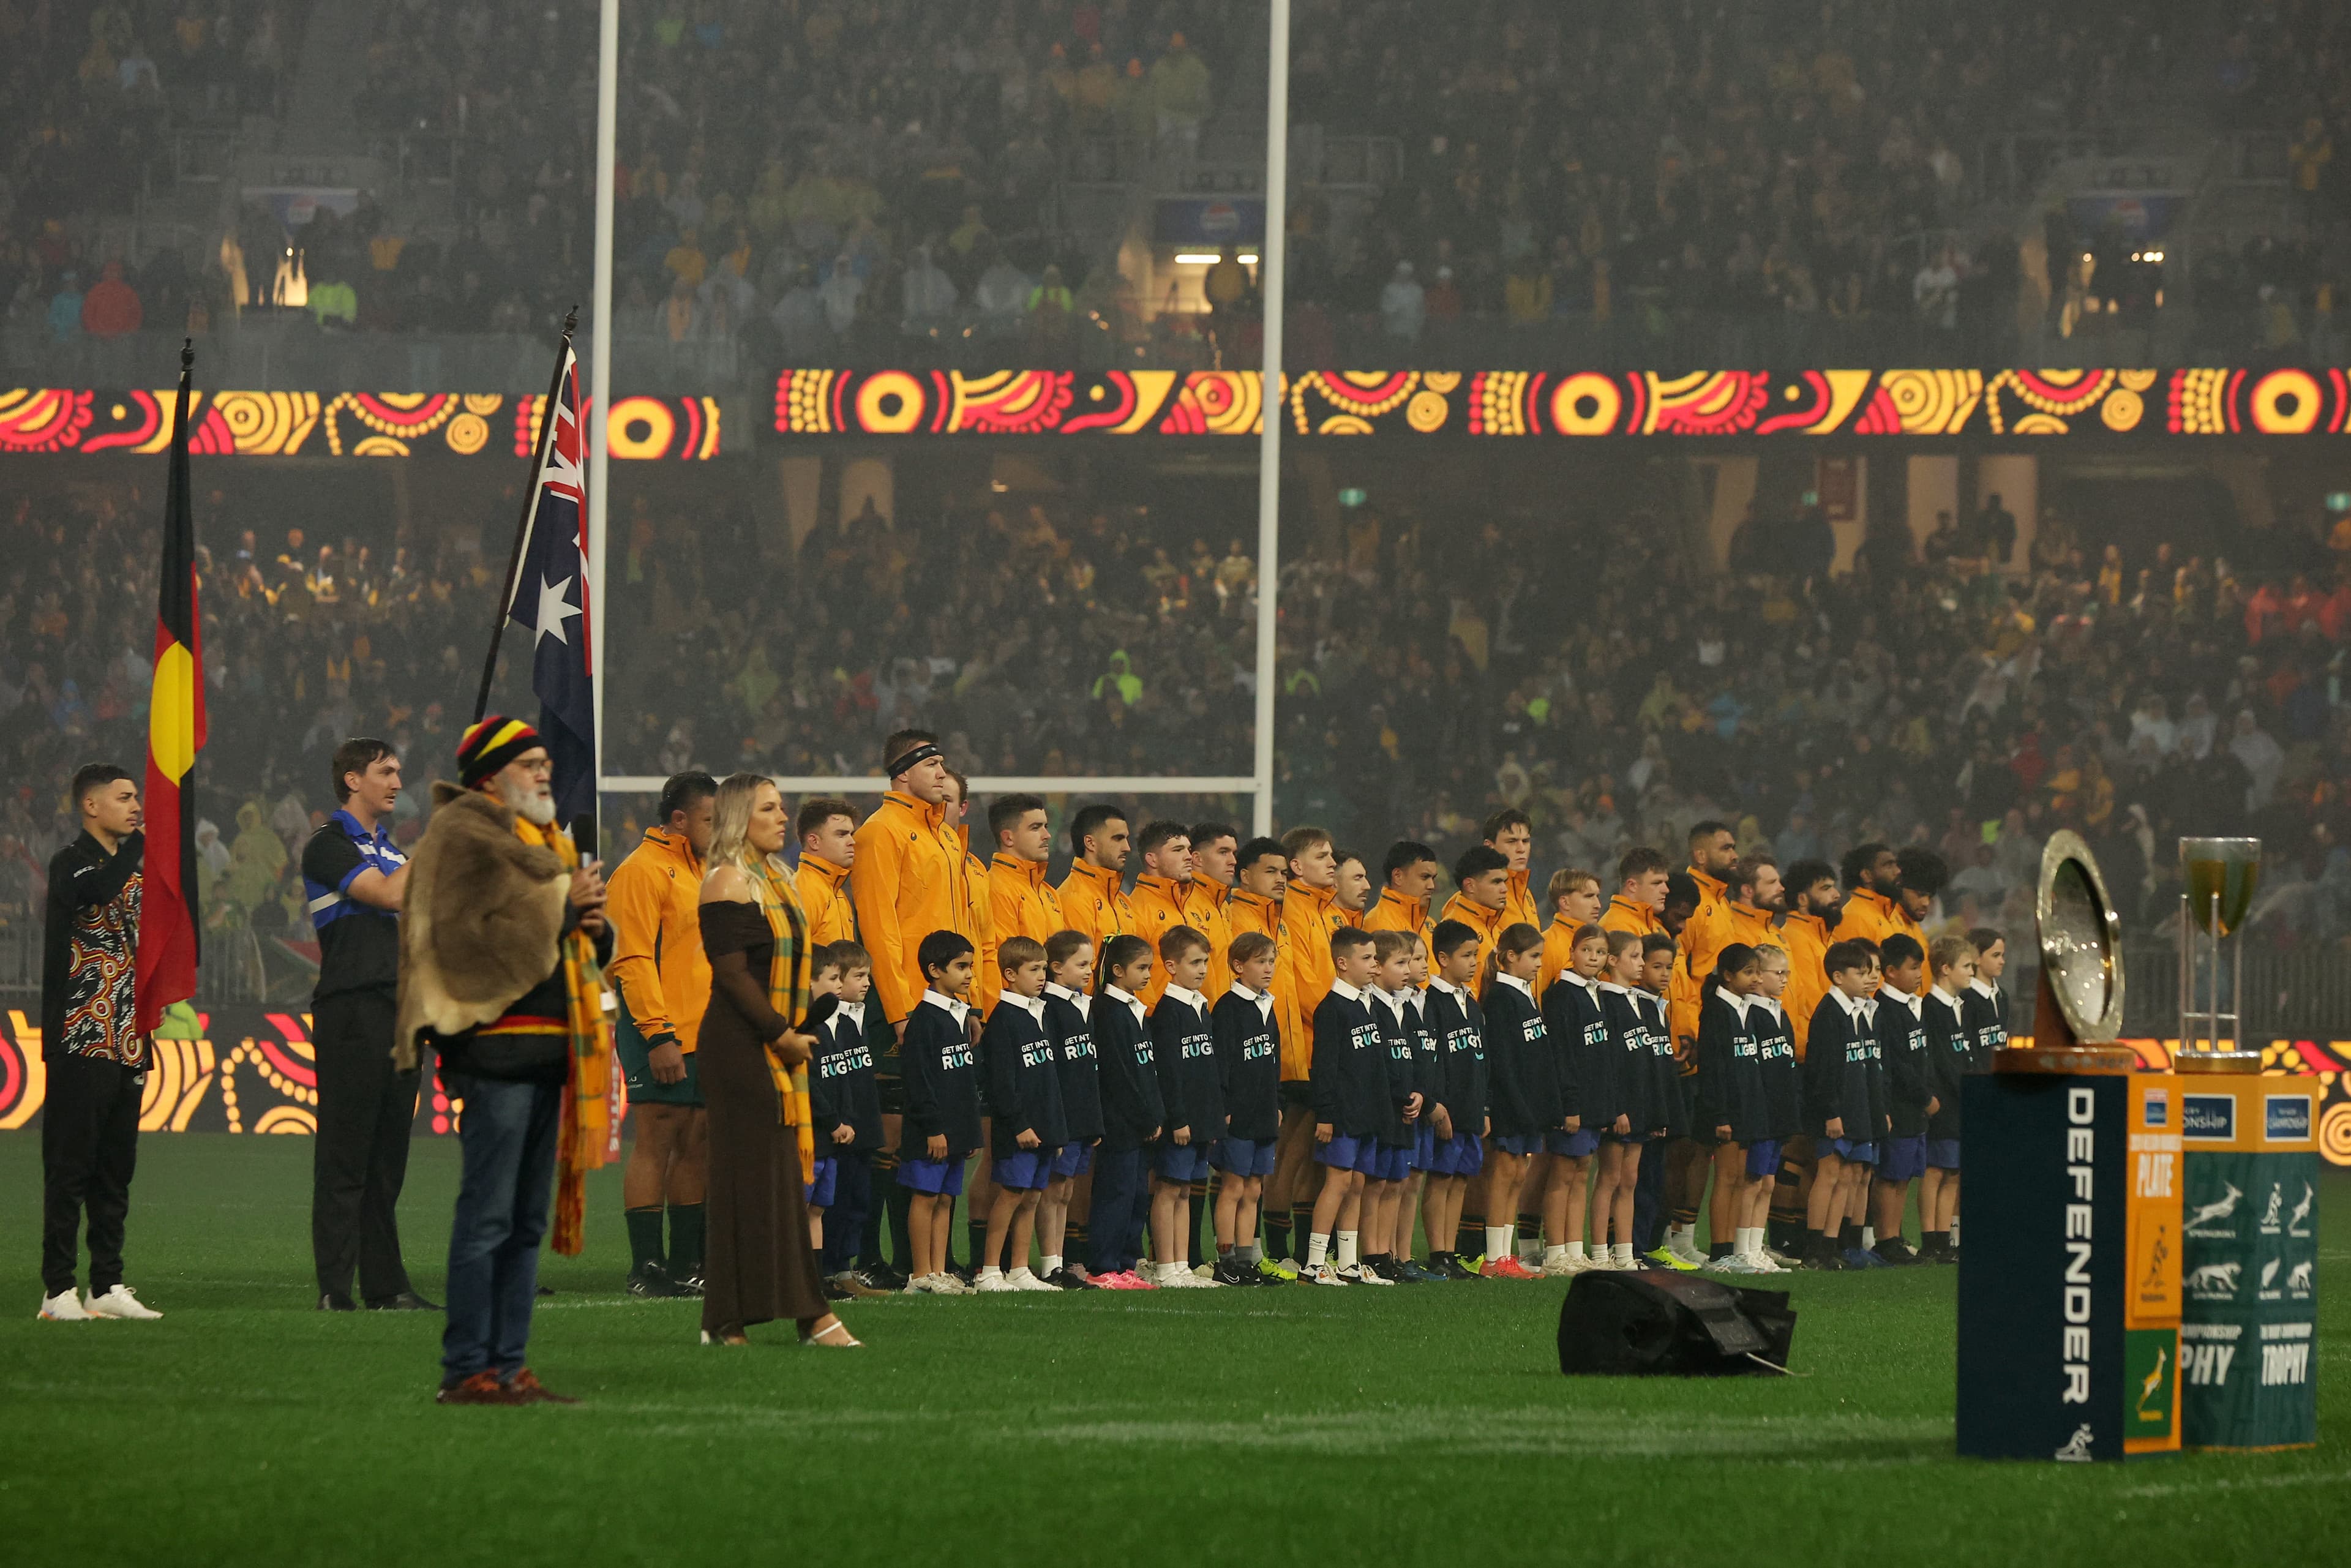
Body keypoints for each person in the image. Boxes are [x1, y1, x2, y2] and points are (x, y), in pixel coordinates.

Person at [399, 718, 615, 1402]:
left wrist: (592, 925)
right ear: (490, 776)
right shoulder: (461, 835)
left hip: (550, 1050)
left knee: (524, 1224)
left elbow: (570, 946)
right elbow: (460, 935)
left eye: (547, 760)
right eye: (529, 762)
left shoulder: (543, 841)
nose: (545, 772)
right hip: (495, 1051)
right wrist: (561, 902)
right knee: (489, 1216)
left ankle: (509, 1362)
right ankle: (467, 1368)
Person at [691, 771, 856, 1346]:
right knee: (756, 1182)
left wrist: (799, 1024)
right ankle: (806, 1315)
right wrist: (781, 1034)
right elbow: (732, 975)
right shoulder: (727, 880)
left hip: (774, 1043)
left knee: (774, 1183)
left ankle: (730, 1319)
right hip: (741, 1048)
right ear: (741, 817)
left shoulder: (777, 879)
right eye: (770, 808)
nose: (783, 817)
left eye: (782, 807)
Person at [300, 739, 433, 1313]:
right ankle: (336, 1286)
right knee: (346, 1154)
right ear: (353, 780)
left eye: (399, 771)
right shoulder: (326, 846)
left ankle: (386, 1285)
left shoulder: (398, 853)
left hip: (403, 1014)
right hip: (353, 1011)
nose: (397, 781)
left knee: (387, 1160)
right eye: (386, 771)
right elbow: (382, 894)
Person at [848, 731, 973, 1283]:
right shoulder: (881, 830)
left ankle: (919, 1259)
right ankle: (874, 1257)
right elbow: (880, 927)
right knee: (896, 1131)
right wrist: (900, 1010)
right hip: (903, 1003)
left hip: (945, 1004)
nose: (944, 771)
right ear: (903, 772)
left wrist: (967, 1003)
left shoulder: (944, 835)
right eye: (934, 763)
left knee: (933, 1127)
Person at [39, 763, 162, 1322]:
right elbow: (97, 890)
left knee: (117, 1168)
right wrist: (144, 845)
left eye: (138, 797)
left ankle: (106, 1283)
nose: (137, 806)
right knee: (71, 1166)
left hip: (127, 1036)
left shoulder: (135, 870)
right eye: (125, 797)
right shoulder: (71, 863)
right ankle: (57, 1289)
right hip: (80, 1032)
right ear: (92, 806)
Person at [607, 769, 717, 1299]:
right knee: (657, 1138)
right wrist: (657, 1034)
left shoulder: (700, 872)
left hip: (702, 1032)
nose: (718, 830)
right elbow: (630, 959)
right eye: (709, 820)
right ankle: (645, 1266)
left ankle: (684, 1261)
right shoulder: (642, 870)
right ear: (680, 819)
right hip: (660, 1030)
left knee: (696, 1141)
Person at [1269, 826, 1343, 1266]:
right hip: (1307, 1046)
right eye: (1322, 855)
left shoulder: (1321, 908)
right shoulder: (1294, 909)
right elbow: (1304, 982)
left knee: (1313, 1155)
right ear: (1297, 866)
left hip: (1320, 1042)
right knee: (1293, 1153)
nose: (1331, 862)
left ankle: (1302, 1249)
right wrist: (1342, 1014)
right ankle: (1280, 1250)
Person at [976, 935, 1062, 1292]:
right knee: (1011, 1195)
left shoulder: (1040, 1012)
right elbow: (1002, 1083)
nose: (1042, 976)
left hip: (1045, 1127)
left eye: (1044, 969)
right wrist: (1019, 1124)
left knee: (1033, 1197)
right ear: (1010, 974)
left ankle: (1019, 1269)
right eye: (1034, 970)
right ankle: (990, 1270)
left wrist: (1055, 1129)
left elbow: (1049, 1080)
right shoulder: (1004, 1019)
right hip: (1019, 1130)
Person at [1300, 927, 1386, 1286]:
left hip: (1367, 1114)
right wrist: (1327, 1114)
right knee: (1337, 1183)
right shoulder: (1332, 1009)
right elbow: (1324, 1068)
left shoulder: (1369, 1003)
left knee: (1357, 1184)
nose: (1374, 965)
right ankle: (1314, 1264)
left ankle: (1348, 1264)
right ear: (1342, 962)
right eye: (1366, 958)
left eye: (1375, 957)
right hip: (1343, 1114)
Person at [898, 930, 982, 1295]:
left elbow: (963, 1083)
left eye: (971, 967)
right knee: (926, 1195)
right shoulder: (924, 1021)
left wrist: (969, 1132)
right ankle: (920, 1275)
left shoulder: (959, 1017)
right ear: (934, 970)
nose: (969, 975)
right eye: (961, 967)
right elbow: (919, 1082)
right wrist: (933, 1127)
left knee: (946, 1198)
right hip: (930, 1131)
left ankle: (938, 1270)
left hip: (956, 1129)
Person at [811, 942, 888, 1295]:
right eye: (858, 976)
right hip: (837, 1132)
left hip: (861, 1128)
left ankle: (844, 1271)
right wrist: (837, 1121)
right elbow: (827, 1079)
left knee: (858, 1202)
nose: (866, 984)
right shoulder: (824, 1024)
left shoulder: (858, 1019)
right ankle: (828, 1270)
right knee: (833, 1204)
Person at [1089, 934, 1165, 1288]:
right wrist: (1145, 1117)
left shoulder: (1137, 1010)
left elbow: (1148, 1070)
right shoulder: (1108, 1012)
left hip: (1142, 1125)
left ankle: (1125, 1265)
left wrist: (1156, 1115)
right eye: (1142, 968)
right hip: (1121, 1124)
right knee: (1115, 1195)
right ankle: (1103, 1266)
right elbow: (1119, 1074)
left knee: (1136, 1196)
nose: (1149, 974)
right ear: (1118, 970)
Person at [1475, 921, 1551, 1279]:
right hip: (1511, 1104)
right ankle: (1494, 1258)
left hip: (1528, 1106)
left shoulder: (1525, 994)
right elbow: (1502, 1061)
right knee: (1504, 1176)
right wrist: (1520, 1106)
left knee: (1519, 1176)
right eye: (1533, 956)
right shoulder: (1502, 999)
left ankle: (1507, 1257)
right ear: (1510, 957)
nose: (1539, 963)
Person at [1801, 940, 1881, 1270]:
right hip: (1836, 1112)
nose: (1867, 979)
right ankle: (1814, 1247)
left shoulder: (1857, 1011)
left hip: (1857, 1108)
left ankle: (1833, 1245)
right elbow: (1822, 1070)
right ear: (1837, 976)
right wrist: (1831, 1112)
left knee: (1848, 1177)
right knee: (1829, 1175)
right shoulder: (1829, 1014)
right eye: (1860, 973)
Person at [1146, 926, 1218, 1286]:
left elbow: (1207, 1071)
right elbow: (1169, 1072)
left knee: (1187, 1190)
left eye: (1205, 961)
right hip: (1181, 1120)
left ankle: (1182, 1264)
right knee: (1169, 1187)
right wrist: (1178, 1118)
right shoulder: (1168, 1012)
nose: (1203, 969)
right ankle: (1164, 1265)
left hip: (1200, 1120)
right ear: (1171, 966)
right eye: (1195, 963)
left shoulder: (1202, 1008)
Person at [1536, 921, 1608, 1275]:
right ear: (1573, 952)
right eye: (1587, 950)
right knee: (1563, 1174)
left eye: (1600, 952)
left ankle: (1574, 1250)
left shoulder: (1597, 992)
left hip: (1593, 1103)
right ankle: (1554, 1252)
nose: (1593, 958)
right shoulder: (1562, 994)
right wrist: (1570, 1105)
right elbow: (1562, 1055)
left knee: (1582, 1173)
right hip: (1573, 1103)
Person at [1210, 931, 1282, 1285]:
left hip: (1264, 1111)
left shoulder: (1268, 1005)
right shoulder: (1228, 1008)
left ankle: (1245, 1259)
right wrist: (1223, 1106)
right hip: (1238, 1113)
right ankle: (1225, 1261)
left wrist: (1277, 1103)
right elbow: (1221, 1062)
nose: (1268, 968)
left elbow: (1274, 1061)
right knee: (1234, 1186)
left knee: (1254, 1188)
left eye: (1271, 961)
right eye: (1260, 962)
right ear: (1238, 966)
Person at [1692, 942, 1767, 1272]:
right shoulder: (1716, 1010)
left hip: (1747, 1107)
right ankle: (1719, 1252)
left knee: (1739, 1178)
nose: (1756, 978)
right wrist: (1720, 1114)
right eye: (1748, 972)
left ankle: (1735, 1251)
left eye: (1757, 972)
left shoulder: (1746, 1009)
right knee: (1725, 1178)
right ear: (1727, 975)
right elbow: (1714, 1068)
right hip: (1725, 1111)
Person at [1420, 920, 1488, 1280]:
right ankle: (1438, 1253)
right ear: (1443, 958)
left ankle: (1452, 1252)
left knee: (1461, 1178)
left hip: (1472, 1106)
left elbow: (1483, 1058)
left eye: (1476, 955)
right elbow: (1432, 1061)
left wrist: (1485, 1107)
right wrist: (1438, 1107)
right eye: (1467, 956)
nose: (1474, 962)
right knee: (1442, 1178)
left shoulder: (1471, 1002)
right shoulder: (1432, 1002)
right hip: (1448, 1109)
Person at [1589, 930, 1657, 1273]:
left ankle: (1626, 1253)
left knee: (1630, 1179)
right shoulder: (1607, 1001)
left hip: (1640, 1104)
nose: (1642, 963)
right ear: (1613, 961)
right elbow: (1608, 1062)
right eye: (1635, 956)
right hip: (1620, 1107)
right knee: (1610, 1177)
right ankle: (1600, 1252)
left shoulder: (1640, 1000)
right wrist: (1616, 1108)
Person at [1039, 929, 1103, 1289]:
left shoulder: (1084, 1004)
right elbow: (1055, 1072)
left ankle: (1059, 1260)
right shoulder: (1050, 1008)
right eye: (1082, 964)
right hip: (1062, 1117)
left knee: (1067, 1191)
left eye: (1091, 964)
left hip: (1082, 1117)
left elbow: (1088, 1067)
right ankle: (1049, 1264)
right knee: (1054, 1189)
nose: (1089, 971)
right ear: (1057, 967)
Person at [1868, 932, 1933, 1266]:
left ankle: (1895, 1235)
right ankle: (1885, 1238)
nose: (1919, 974)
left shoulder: (1914, 1005)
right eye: (1912, 967)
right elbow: (1897, 1063)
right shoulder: (1885, 1008)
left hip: (1915, 1107)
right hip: (1900, 1104)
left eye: (1921, 967)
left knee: (1904, 1175)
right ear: (1890, 971)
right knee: (1890, 1175)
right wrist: (1925, 1096)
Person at [1921, 933, 1976, 1263]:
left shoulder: (1960, 1007)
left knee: (1953, 1171)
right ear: (1945, 968)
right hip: (1943, 1102)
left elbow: (1963, 1054)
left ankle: (1944, 1241)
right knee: (1935, 1171)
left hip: (1960, 1100)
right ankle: (1930, 1239)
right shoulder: (1931, 1008)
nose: (1972, 971)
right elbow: (1940, 1060)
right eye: (1967, 966)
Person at [1746, 945, 1801, 1271]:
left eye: (1787, 974)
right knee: (1753, 1181)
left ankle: (1757, 1246)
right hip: (1761, 1113)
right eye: (1777, 973)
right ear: (1757, 976)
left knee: (1768, 1182)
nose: (1783, 980)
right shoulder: (1751, 1013)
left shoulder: (1780, 1010)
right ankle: (1744, 1248)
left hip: (1780, 1111)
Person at [1129, 821, 1199, 1008]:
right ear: (1153, 860)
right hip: (1160, 1022)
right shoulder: (1135, 909)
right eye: (1177, 850)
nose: (1188, 857)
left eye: (1188, 849)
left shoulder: (1191, 904)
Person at [1057, 803, 1136, 946]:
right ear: (1090, 843)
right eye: (1118, 838)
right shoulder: (1073, 898)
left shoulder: (1122, 899)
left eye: (1126, 839)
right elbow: (1079, 966)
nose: (1127, 848)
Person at [1185, 821, 1242, 1002]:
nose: (1233, 861)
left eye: (1234, 853)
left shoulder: (1224, 906)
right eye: (1223, 852)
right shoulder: (1185, 903)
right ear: (1197, 859)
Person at [792, 797, 859, 946]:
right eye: (841, 834)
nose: (852, 842)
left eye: (851, 834)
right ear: (814, 842)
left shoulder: (837, 893)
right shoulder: (803, 890)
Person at [1534, 866, 1605, 997]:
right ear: (1565, 903)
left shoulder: (1599, 940)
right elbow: (1536, 1001)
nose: (1598, 905)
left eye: (1597, 896)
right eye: (1589, 896)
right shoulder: (1548, 945)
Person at [1366, 839, 1440, 953]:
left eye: (1433, 878)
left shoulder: (1429, 923)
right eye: (1425, 877)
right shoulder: (1379, 923)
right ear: (1398, 877)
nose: (1432, 886)